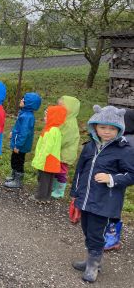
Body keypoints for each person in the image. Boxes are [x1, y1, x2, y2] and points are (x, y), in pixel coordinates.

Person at [70, 105, 134, 283]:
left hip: (105, 202)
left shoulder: (124, 150)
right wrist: (75, 193)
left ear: (119, 129)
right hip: (85, 198)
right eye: (103, 127)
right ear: (95, 127)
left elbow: (131, 175)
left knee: (97, 233)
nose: (107, 132)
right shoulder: (89, 147)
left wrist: (111, 178)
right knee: (87, 229)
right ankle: (90, 259)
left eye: (112, 128)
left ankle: (93, 265)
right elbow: (79, 171)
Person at [102, 107, 134, 251]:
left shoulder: (126, 140)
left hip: (116, 179)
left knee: (113, 208)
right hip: (118, 179)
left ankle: (112, 237)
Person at [4, 92, 42, 189]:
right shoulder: (24, 113)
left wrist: (18, 145)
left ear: (28, 103)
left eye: (23, 99)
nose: (21, 100)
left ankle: (18, 181)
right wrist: (13, 132)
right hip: (18, 142)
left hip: (20, 145)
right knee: (14, 159)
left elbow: (24, 133)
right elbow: (18, 127)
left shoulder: (27, 117)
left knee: (18, 161)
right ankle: (14, 176)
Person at [30, 105, 67, 202]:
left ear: (53, 117)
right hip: (52, 159)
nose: (44, 118)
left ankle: (40, 196)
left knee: (43, 179)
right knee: (49, 179)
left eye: (47, 116)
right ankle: (46, 197)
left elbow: (47, 147)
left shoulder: (50, 130)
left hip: (46, 159)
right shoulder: (56, 130)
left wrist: (40, 159)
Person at [52, 96, 81, 198]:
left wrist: (53, 143)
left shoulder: (69, 123)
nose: (58, 108)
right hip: (58, 150)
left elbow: (64, 139)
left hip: (65, 152)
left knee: (61, 171)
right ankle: (54, 187)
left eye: (61, 106)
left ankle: (60, 190)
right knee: (55, 170)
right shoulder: (64, 119)